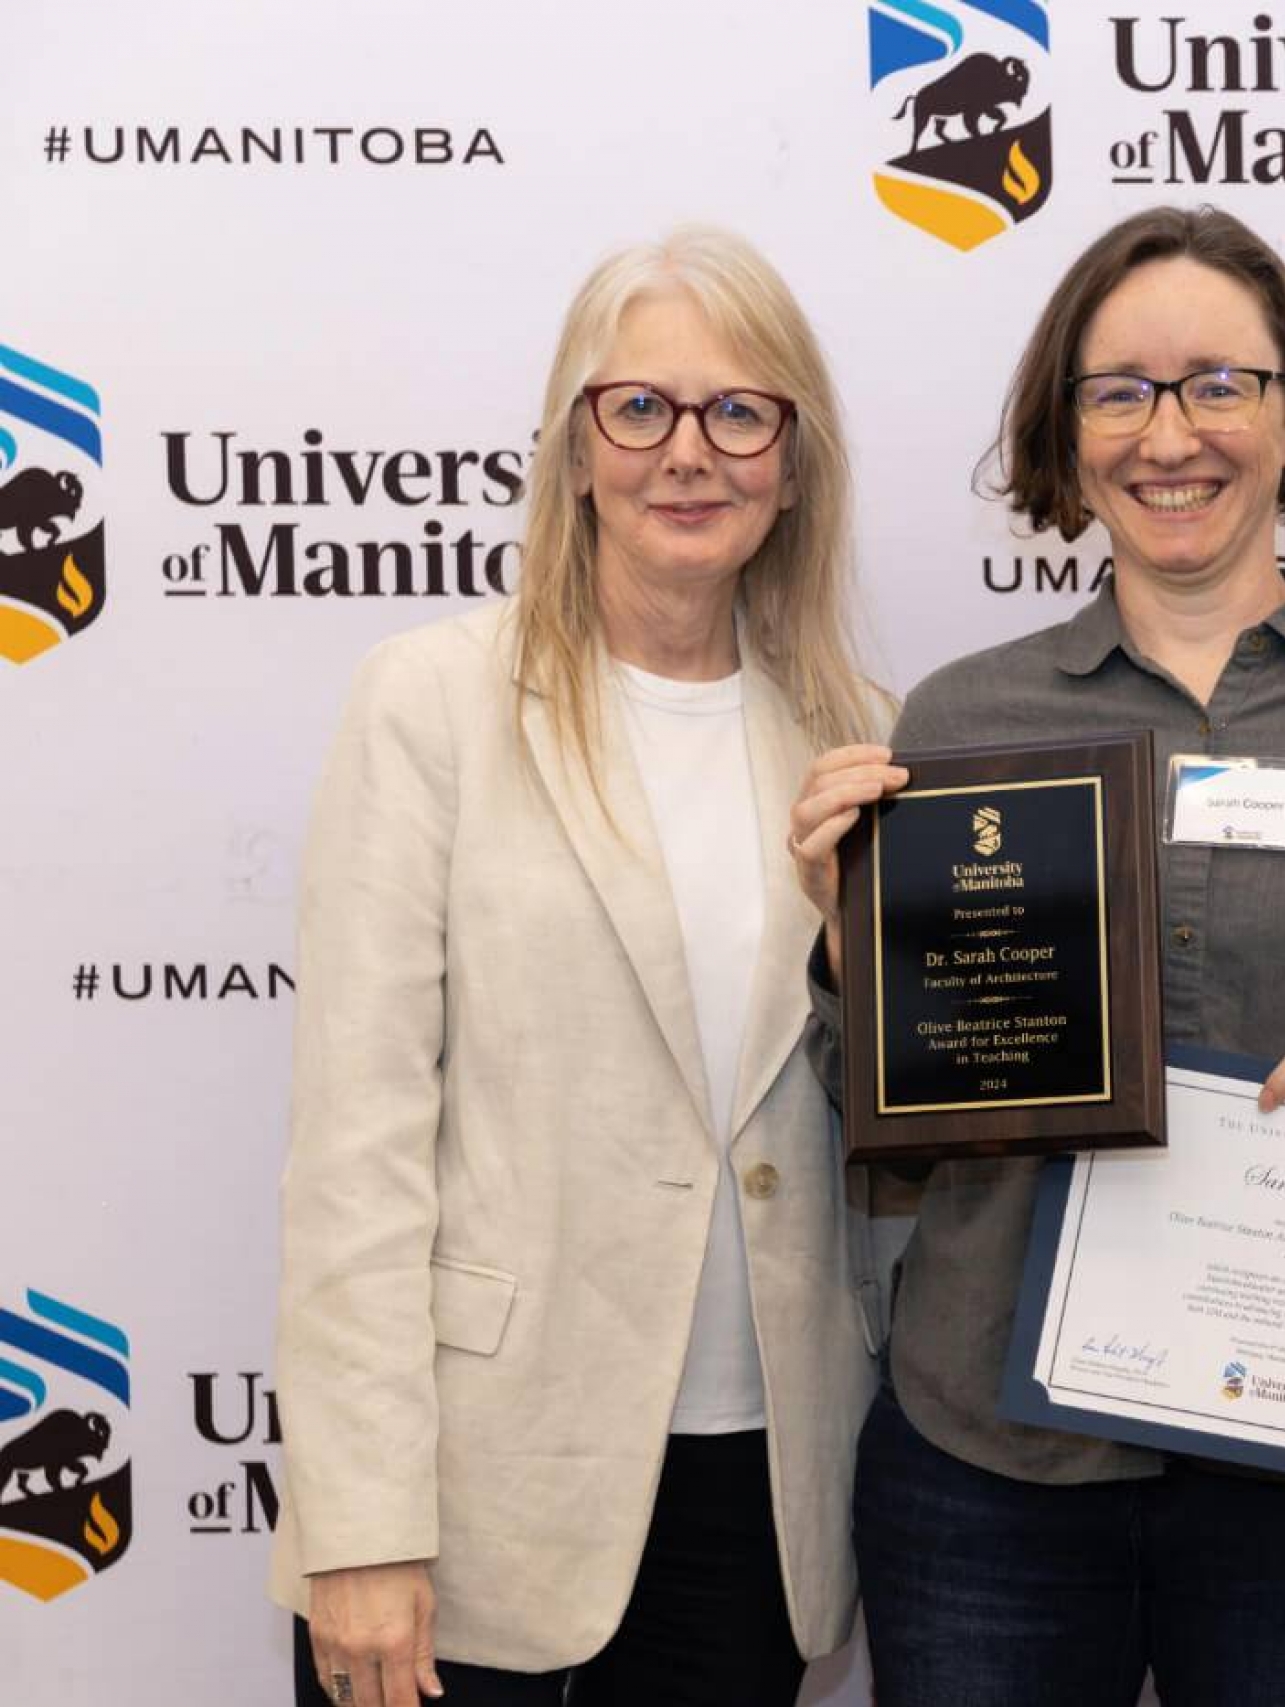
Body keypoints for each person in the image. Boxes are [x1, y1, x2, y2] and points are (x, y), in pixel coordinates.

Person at [789, 204, 1285, 1707]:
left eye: (1217, 385)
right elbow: (887, 1135)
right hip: (991, 1469)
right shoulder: (955, 727)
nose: (1166, 434)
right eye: (1117, 391)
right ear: (1068, 436)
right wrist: (851, 950)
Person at [271, 228, 886, 1707]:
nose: (692, 454)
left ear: (793, 466)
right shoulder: (433, 703)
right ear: (573, 447)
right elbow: (355, 1148)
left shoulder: (860, 731)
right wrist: (358, 1525)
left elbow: (902, 1131)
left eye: (742, 413)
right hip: (480, 1499)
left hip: (760, 1497)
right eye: (642, 409)